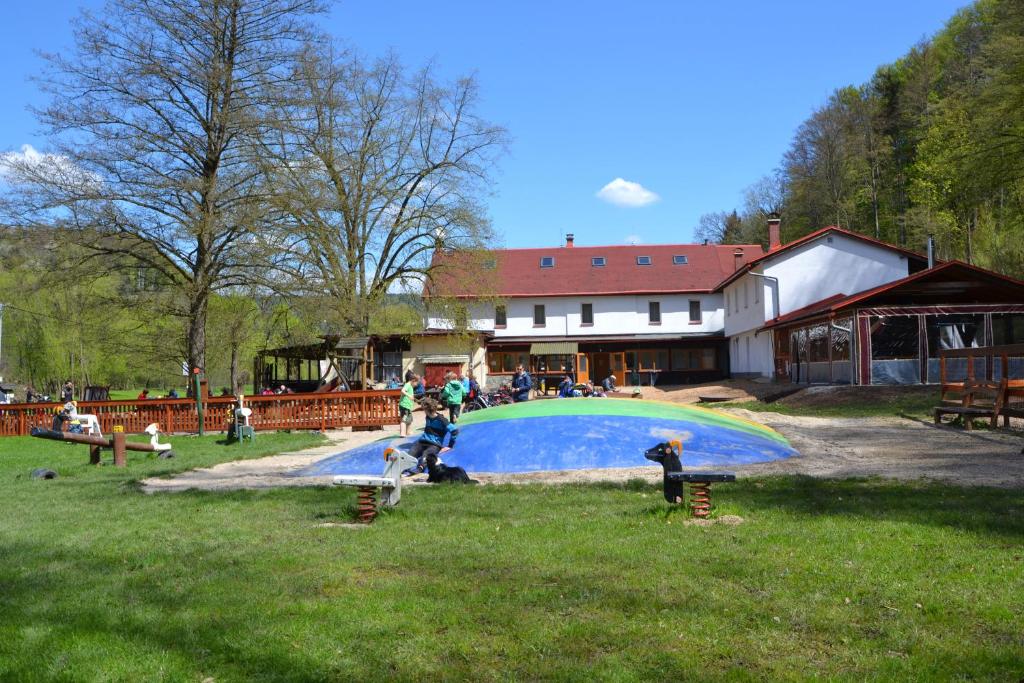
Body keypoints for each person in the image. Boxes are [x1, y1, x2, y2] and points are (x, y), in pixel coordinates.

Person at [405, 398, 458, 475]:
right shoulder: (428, 417)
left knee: (426, 455)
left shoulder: (442, 420)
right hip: (422, 441)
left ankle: (420, 468)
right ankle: (404, 466)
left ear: (426, 410)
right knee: (410, 454)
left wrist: (450, 446)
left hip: (434, 444)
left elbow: (454, 431)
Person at [399, 373, 417, 437]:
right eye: (416, 383)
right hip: (404, 405)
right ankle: (402, 433)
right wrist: (409, 395)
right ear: (413, 380)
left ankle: (408, 432)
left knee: (409, 419)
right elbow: (402, 390)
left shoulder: (410, 386)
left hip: (408, 406)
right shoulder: (408, 384)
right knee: (404, 419)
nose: (416, 384)